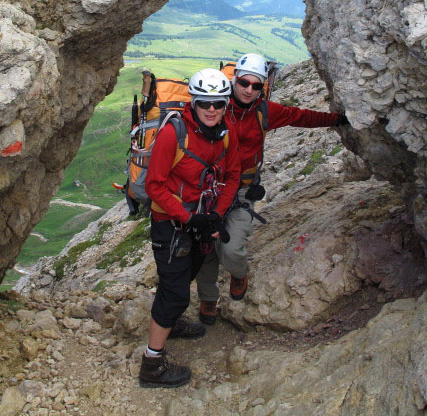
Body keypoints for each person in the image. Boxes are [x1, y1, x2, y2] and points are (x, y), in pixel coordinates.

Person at [195, 53, 348, 325]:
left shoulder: (264, 111)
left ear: (263, 87)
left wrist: (335, 120)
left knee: (231, 248)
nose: (249, 89)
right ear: (234, 81)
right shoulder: (215, 106)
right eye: (244, 82)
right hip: (210, 190)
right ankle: (208, 298)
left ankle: (238, 273)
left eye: (256, 86)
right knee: (205, 246)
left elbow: (300, 117)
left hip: (242, 190)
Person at [139, 68, 241, 388]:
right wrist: (189, 218)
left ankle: (173, 323)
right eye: (205, 103)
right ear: (193, 103)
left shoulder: (227, 134)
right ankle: (151, 365)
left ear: (226, 105)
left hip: (200, 219)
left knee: (186, 275)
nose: (212, 110)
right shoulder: (174, 133)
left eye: (219, 104)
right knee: (175, 290)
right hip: (170, 223)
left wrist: (216, 215)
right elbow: (155, 187)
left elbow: (233, 176)